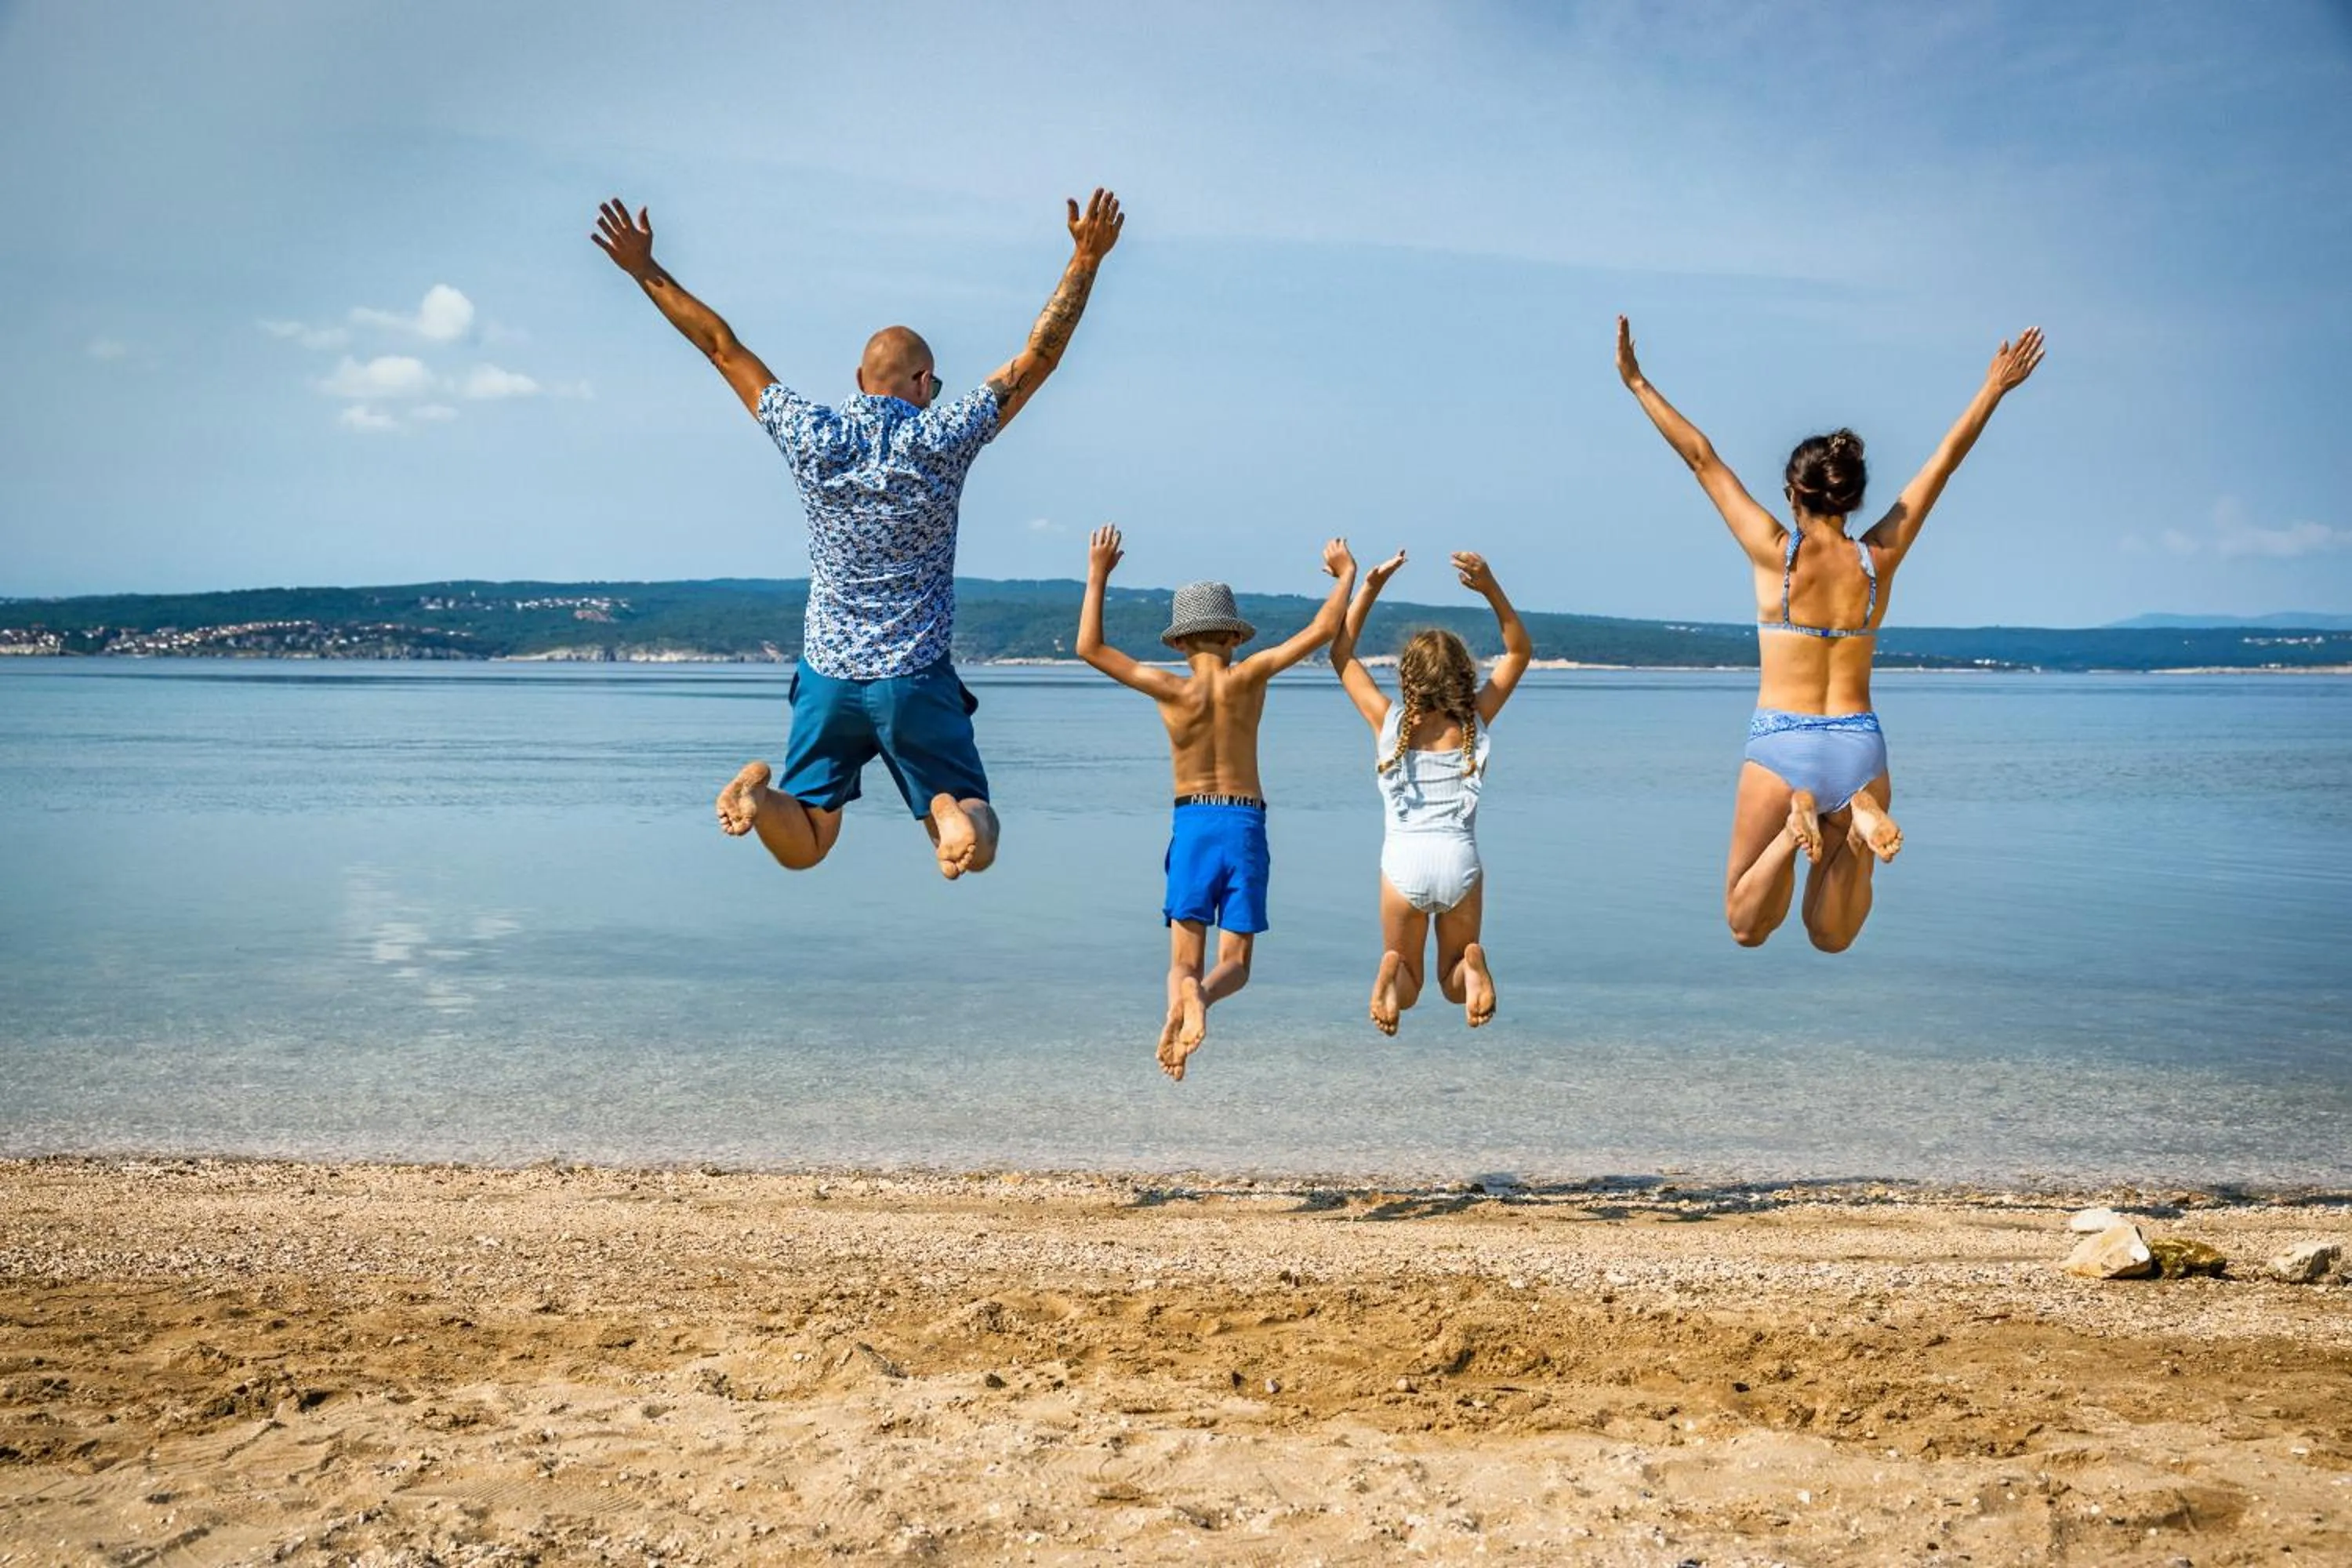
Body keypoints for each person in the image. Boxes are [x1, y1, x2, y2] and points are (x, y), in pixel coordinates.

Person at [591, 189, 1127, 879]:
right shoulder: (942, 435)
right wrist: (1086, 259)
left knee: (808, 843)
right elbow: (1039, 357)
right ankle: (949, 809)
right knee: (979, 835)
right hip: (914, 675)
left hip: (828, 677)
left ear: (858, 380)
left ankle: (760, 794)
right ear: (923, 382)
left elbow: (722, 348)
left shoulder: (812, 433)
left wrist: (644, 269)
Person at [1614, 316, 2045, 950]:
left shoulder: (1775, 556)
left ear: (1794, 493)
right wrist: (1993, 388)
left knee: (1746, 926)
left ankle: (1795, 831)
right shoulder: (1879, 559)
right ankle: (1858, 827)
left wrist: (1637, 382)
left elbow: (1701, 458)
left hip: (1782, 742)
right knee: (1830, 936)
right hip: (1859, 747)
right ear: (1853, 499)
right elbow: (1943, 465)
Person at [1075, 525, 1357, 1080]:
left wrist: (1098, 573)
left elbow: (1090, 649)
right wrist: (1345, 574)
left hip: (1192, 822)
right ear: (1234, 638)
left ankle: (1184, 1002)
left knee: (1183, 961)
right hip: (1243, 822)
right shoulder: (1250, 676)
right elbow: (1324, 629)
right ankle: (1201, 998)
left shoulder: (1170, 689)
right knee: (1236, 964)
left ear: (1179, 644)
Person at [1327, 550, 1532, 1033]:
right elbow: (1519, 652)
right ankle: (1473, 968)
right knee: (1451, 980)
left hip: (1404, 865)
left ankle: (1390, 972)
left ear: (1408, 679)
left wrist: (1370, 586)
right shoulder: (1474, 722)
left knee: (1412, 982)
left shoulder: (1388, 722)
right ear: (1464, 675)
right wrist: (1490, 587)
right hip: (1460, 863)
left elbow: (1340, 653)